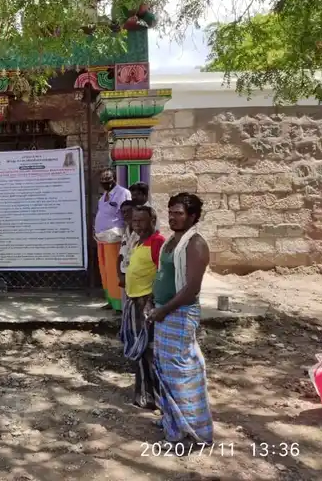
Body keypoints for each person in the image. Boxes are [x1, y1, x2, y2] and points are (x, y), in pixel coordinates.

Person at [147, 192, 213, 444]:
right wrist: (154, 301)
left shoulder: (195, 244)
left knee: (181, 370)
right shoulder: (171, 241)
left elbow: (190, 290)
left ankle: (194, 431)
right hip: (164, 310)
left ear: (193, 217)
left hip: (180, 313)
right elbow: (163, 274)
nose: (173, 217)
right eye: (171, 212)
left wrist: (163, 310)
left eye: (179, 213)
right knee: (165, 367)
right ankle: (173, 421)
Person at [121, 205, 165, 409]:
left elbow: (162, 274)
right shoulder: (139, 241)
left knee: (147, 350)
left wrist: (150, 300)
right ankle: (143, 393)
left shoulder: (157, 242)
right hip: (134, 301)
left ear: (152, 221)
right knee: (138, 350)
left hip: (144, 304)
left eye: (141, 220)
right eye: (134, 220)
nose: (136, 224)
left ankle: (152, 396)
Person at [94, 168, 131, 311]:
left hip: (114, 238)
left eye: (108, 181)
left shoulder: (123, 193)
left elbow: (126, 214)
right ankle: (110, 300)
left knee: (114, 271)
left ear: (114, 179)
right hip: (101, 239)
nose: (106, 183)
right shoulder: (103, 196)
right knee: (105, 271)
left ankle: (119, 304)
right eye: (103, 181)